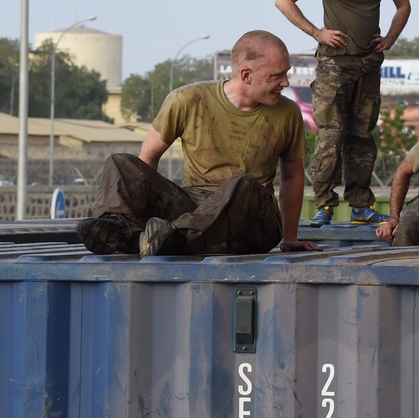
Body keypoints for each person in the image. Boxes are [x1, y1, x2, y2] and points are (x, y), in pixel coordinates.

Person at [76, 30, 321, 256]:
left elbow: (291, 177)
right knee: (121, 163)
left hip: (251, 222)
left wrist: (289, 237)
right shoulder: (187, 100)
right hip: (192, 209)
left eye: (286, 73)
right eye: (277, 76)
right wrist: (144, 214)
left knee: (244, 183)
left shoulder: (288, 113)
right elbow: (146, 160)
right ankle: (118, 231)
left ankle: (178, 239)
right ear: (246, 75)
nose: (286, 83)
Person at [275, 0, 412, 227]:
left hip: (368, 65)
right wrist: (317, 32)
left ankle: (360, 206)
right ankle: (323, 204)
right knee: (331, 135)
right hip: (334, 67)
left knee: (362, 136)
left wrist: (390, 37)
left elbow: (404, 5)